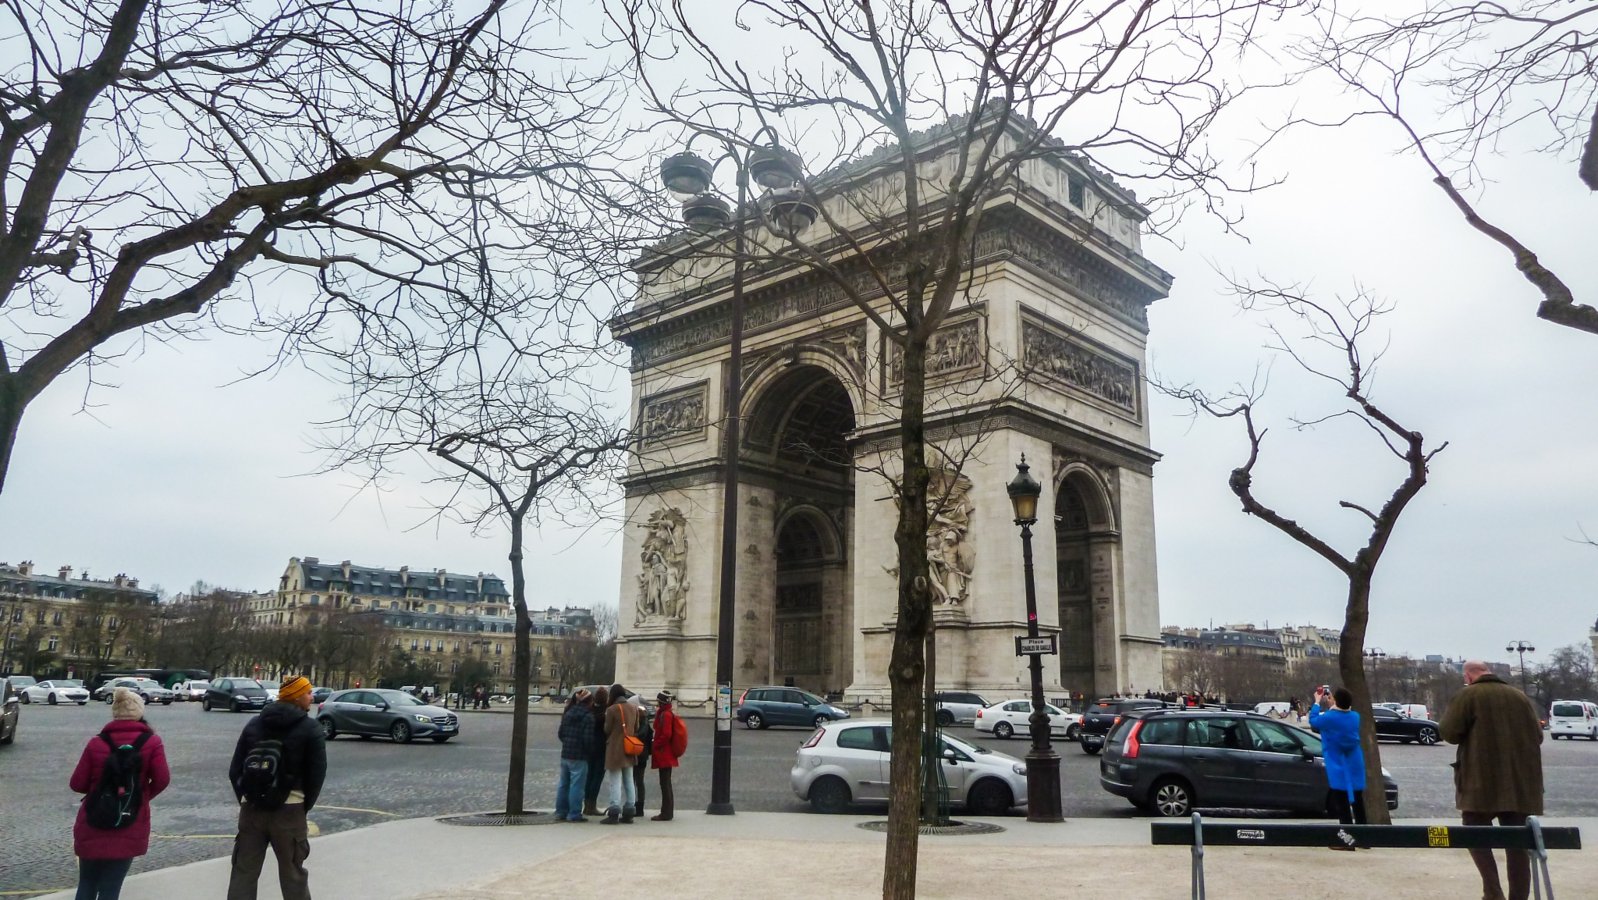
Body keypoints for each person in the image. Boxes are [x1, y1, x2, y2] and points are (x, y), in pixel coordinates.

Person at [1440, 660, 1545, 900]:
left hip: (1480, 782)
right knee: (1517, 845)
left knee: (1474, 833)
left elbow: (1449, 733)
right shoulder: (1519, 697)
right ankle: (1518, 897)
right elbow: (1537, 736)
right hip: (1519, 784)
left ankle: (1492, 890)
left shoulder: (1468, 696)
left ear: (1468, 676)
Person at [226, 675, 327, 900]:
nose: (312, 697)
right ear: (297, 696)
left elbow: (235, 770)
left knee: (243, 872)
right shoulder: (310, 728)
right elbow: (316, 776)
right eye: (308, 693)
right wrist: (302, 806)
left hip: (252, 810)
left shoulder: (254, 723)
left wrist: (249, 798)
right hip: (290, 811)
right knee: (293, 875)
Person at [69, 688, 171, 900]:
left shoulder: (96, 742)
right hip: (129, 820)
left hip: (94, 819)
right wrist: (140, 797)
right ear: (139, 713)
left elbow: (77, 783)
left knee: (87, 883)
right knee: (111, 887)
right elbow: (162, 779)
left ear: (114, 713)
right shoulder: (152, 742)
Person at [1308, 686, 1366, 848]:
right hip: (1354, 762)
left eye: (1332, 697)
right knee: (1358, 802)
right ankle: (1365, 838)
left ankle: (1347, 841)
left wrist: (1317, 702)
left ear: (1336, 701)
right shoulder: (1355, 717)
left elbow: (1314, 721)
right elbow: (1341, 715)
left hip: (1338, 763)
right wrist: (1332, 703)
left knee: (1341, 804)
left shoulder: (1329, 718)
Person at [600, 682, 640, 825]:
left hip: (615, 749)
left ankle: (614, 810)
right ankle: (629, 809)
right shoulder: (633, 708)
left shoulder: (612, 710)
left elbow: (607, 729)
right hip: (629, 748)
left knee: (615, 781)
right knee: (629, 780)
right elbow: (636, 728)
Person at [555, 690, 595, 822]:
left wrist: (567, 743)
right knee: (577, 786)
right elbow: (588, 740)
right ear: (589, 701)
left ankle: (561, 812)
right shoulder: (588, 716)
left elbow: (561, 733)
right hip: (580, 755)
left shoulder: (568, 713)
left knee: (563, 784)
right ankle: (574, 813)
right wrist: (589, 752)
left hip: (566, 753)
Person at [650, 690, 687, 821]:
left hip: (664, 753)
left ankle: (666, 813)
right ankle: (667, 811)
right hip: (666, 753)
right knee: (666, 783)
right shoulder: (667, 713)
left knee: (664, 783)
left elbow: (666, 734)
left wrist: (655, 745)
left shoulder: (665, 715)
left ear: (661, 702)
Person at [582, 686, 609, 817]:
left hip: (589, 747)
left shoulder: (589, 711)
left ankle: (586, 805)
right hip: (602, 748)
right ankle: (591, 805)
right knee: (597, 778)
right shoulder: (606, 713)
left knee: (589, 776)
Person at [629, 691, 653, 818]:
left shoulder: (642, 720)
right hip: (641, 754)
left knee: (637, 781)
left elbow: (641, 735)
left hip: (639, 754)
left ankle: (638, 806)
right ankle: (635, 805)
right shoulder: (642, 719)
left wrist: (629, 735)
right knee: (637, 781)